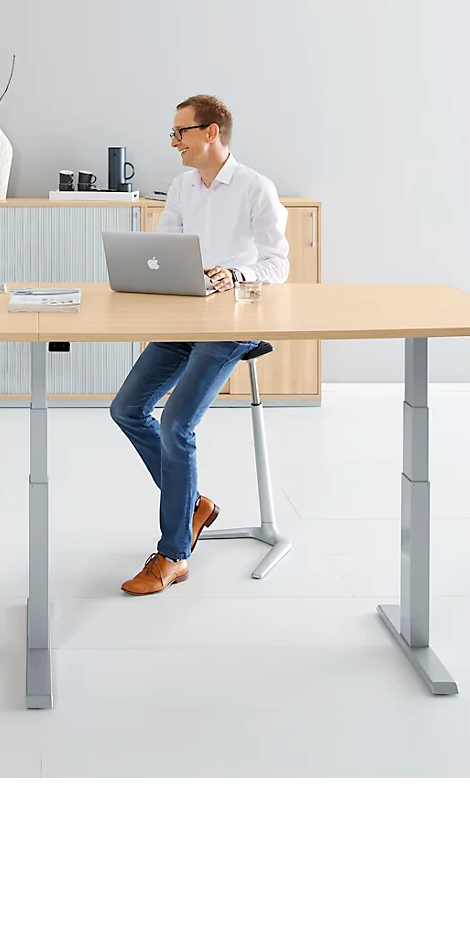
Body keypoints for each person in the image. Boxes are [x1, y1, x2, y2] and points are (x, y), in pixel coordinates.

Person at [110, 94, 290, 595]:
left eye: (180, 132)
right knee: (126, 408)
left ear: (211, 132)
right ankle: (194, 506)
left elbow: (278, 264)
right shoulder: (182, 187)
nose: (174, 142)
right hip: (186, 316)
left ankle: (174, 555)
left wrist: (235, 273)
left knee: (176, 423)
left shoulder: (255, 188)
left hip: (232, 323)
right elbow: (164, 251)